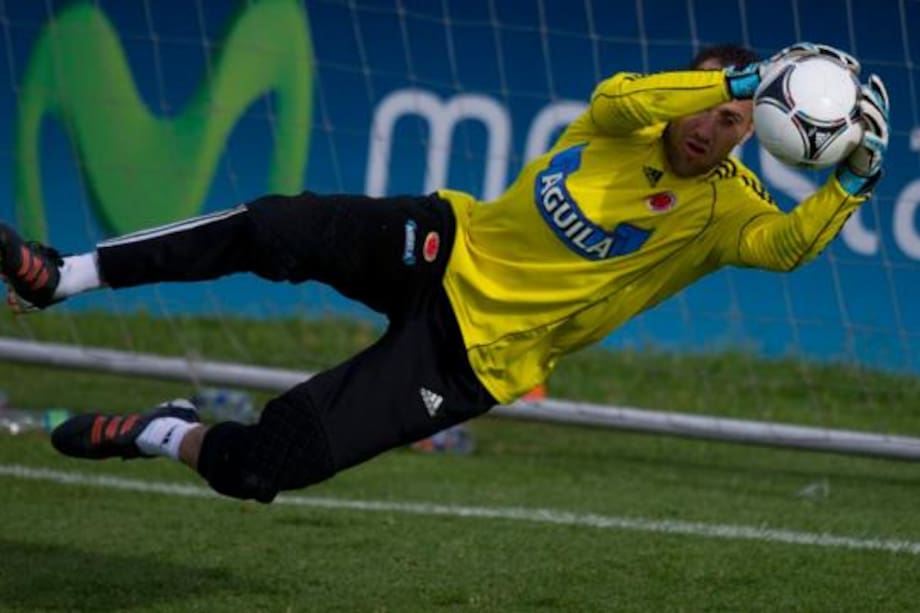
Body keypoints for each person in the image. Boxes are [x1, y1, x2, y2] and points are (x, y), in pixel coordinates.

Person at [0, 43, 889, 503]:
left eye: (734, 121)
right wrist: (733, 77)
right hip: (446, 242)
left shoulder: (725, 208)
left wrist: (852, 181)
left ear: (752, 135)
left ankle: (165, 432)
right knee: (274, 227)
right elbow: (618, 98)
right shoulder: (628, 116)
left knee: (262, 466)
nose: (710, 127)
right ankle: (63, 274)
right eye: (707, 104)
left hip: (471, 358)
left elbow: (786, 248)